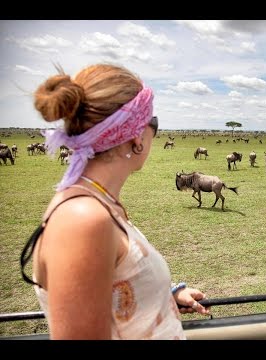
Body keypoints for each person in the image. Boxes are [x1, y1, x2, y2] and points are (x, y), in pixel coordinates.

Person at [20, 63, 210, 340]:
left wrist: (163, 295)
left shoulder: (97, 203)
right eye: (152, 122)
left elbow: (110, 287)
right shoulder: (83, 219)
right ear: (136, 138)